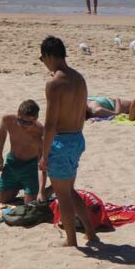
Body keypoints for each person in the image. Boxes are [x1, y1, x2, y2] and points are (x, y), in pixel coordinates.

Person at [38, 36, 97, 247]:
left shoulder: (55, 83)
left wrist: (44, 155)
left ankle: (71, 240)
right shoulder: (79, 79)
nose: (43, 63)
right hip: (77, 138)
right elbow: (83, 112)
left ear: (49, 56)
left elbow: (51, 124)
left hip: (61, 142)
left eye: (42, 58)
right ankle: (90, 232)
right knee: (70, 191)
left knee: (63, 195)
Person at [0, 100, 47, 204]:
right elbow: (2, 134)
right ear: (18, 114)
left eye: (29, 123)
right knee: (2, 200)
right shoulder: (8, 120)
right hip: (12, 163)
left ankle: (52, 189)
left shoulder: (40, 132)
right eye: (21, 121)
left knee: (30, 204)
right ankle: (19, 186)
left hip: (31, 167)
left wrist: (41, 191)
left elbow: (41, 164)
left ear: (36, 119)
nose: (24, 125)